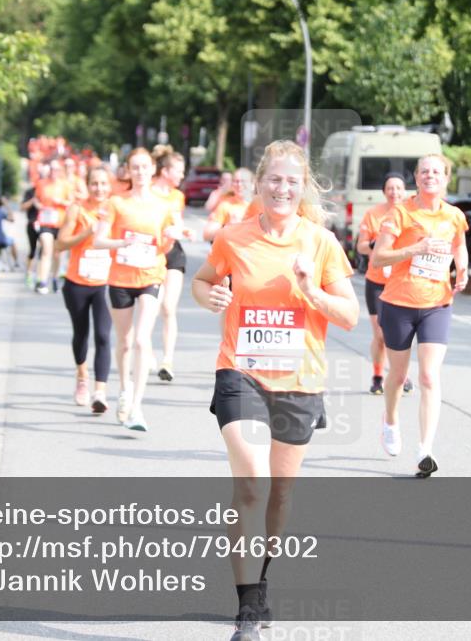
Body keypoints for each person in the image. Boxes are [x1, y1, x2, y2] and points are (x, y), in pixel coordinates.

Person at [191, 140, 358, 641]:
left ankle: (259, 583)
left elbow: (350, 317)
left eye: (292, 181)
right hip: (240, 372)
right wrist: (211, 295)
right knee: (252, 483)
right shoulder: (232, 237)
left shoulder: (321, 243)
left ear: (301, 187)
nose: (282, 188)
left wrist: (311, 289)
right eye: (274, 180)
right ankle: (247, 612)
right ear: (259, 184)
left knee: (279, 496)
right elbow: (202, 282)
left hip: (300, 381)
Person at [369, 154, 468, 477]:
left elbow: (458, 246)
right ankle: (391, 420)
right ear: (417, 177)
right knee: (397, 377)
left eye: (436, 172)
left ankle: (425, 449)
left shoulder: (453, 216)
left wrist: (462, 270)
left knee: (428, 376)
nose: (430, 176)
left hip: (437, 304)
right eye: (424, 171)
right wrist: (415, 249)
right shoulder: (400, 213)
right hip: (398, 302)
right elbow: (378, 258)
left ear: (445, 178)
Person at [103, 147, 181, 430]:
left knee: (141, 340)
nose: (140, 172)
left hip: (151, 275)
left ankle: (137, 407)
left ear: (152, 170)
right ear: (128, 170)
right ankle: (124, 389)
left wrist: (172, 237)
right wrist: (119, 244)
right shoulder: (116, 202)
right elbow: (99, 240)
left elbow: (164, 244)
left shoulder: (164, 204)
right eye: (134, 167)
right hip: (121, 278)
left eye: (144, 167)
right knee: (124, 341)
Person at [56, 167, 123, 413]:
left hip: (105, 283)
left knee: (104, 336)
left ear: (110, 186)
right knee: (81, 334)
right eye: (95, 184)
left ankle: (100, 392)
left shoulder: (115, 209)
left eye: (104, 184)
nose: (100, 189)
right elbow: (60, 244)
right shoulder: (77, 209)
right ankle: (82, 376)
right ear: (88, 185)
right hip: (77, 282)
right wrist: (87, 232)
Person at [355, 172, 413, 395]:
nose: (395, 192)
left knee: (399, 335)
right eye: (390, 188)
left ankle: (401, 375)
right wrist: (377, 246)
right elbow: (360, 246)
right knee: (380, 335)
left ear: (404, 191)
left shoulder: (410, 213)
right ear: (384, 191)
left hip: (401, 281)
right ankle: (378, 375)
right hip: (377, 281)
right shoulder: (373, 214)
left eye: (399, 188)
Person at [151, 146, 190, 382]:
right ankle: (146, 351)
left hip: (173, 253)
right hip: (151, 254)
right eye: (179, 171)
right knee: (152, 308)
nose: (182, 176)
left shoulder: (177, 196)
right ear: (165, 171)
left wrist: (183, 230)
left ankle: (167, 360)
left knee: (168, 307)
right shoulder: (149, 193)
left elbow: (178, 222)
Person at [33, 161, 71, 294]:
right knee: (46, 250)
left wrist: (61, 202)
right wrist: (39, 206)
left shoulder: (65, 185)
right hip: (45, 222)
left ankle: (54, 277)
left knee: (57, 254)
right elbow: (36, 199)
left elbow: (72, 202)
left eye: (56, 169)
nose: (53, 172)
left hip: (60, 222)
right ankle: (41, 281)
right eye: (51, 169)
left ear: (60, 171)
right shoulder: (42, 183)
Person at [203, 168, 255, 242]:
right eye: (236, 181)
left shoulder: (262, 206)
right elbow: (207, 235)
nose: (239, 184)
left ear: (253, 184)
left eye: (243, 181)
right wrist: (228, 228)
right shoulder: (226, 205)